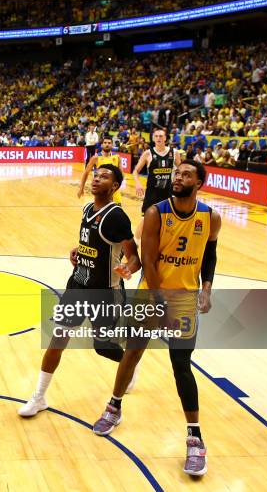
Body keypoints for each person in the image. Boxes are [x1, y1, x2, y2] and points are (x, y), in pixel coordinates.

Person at [92, 160, 221, 477]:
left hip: (185, 299)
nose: (178, 176)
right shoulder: (156, 213)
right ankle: (114, 406)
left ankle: (194, 437)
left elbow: (210, 255)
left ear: (200, 182)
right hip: (152, 294)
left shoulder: (211, 217)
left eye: (186, 174)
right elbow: (147, 259)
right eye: (177, 172)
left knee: (181, 364)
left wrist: (206, 289)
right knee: (133, 352)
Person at [18, 165, 140, 417]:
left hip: (105, 291)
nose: (96, 179)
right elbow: (92, 243)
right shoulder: (87, 209)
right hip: (78, 284)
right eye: (96, 175)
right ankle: (39, 397)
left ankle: (130, 362)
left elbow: (134, 257)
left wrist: (127, 269)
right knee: (58, 339)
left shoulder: (117, 217)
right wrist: (78, 250)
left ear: (114, 187)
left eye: (104, 177)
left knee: (102, 346)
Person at [133, 128, 181, 239]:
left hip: (167, 193)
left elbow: (181, 169)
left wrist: (178, 181)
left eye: (161, 136)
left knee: (167, 222)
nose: (158, 138)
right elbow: (135, 171)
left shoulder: (174, 153)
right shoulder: (147, 153)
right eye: (156, 136)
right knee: (145, 220)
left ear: (165, 138)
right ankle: (135, 243)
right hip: (152, 193)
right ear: (153, 138)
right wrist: (138, 183)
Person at [77, 135, 122, 204]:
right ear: (101, 145)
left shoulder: (117, 157)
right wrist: (81, 188)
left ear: (112, 145)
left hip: (114, 191)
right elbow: (86, 173)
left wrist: (117, 187)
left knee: (116, 212)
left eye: (109, 143)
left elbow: (121, 175)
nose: (107, 144)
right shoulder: (96, 157)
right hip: (101, 190)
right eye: (105, 143)